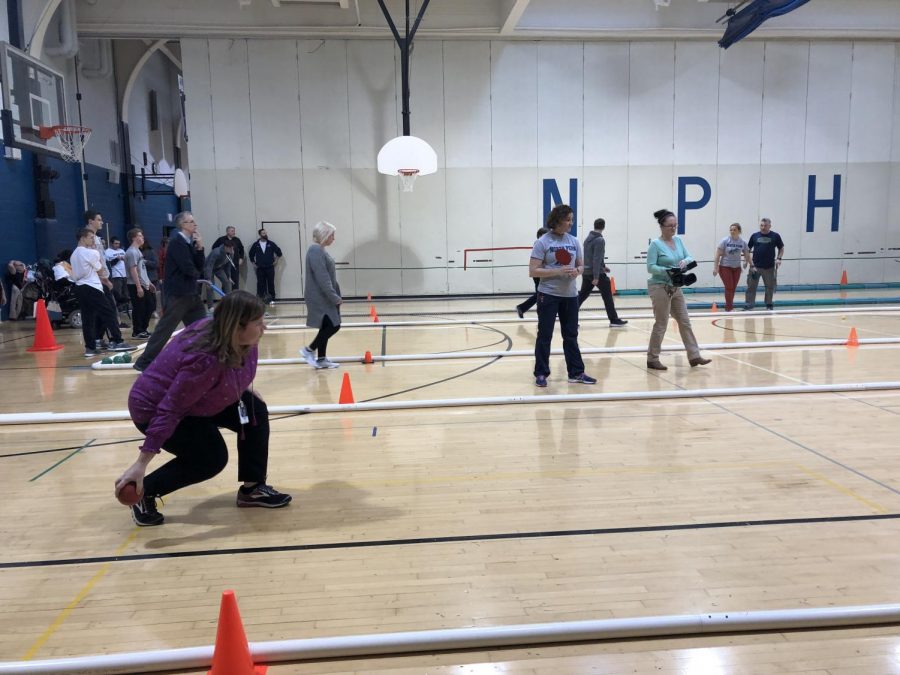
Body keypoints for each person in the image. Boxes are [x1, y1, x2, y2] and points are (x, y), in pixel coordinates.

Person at [115, 290, 292, 526]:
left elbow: (235, 366)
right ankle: (146, 491)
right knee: (211, 458)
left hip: (200, 399)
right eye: (258, 323)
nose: (264, 328)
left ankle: (253, 489)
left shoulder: (242, 339)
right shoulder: (205, 359)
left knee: (254, 410)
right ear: (236, 327)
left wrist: (240, 387)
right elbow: (170, 409)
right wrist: (141, 463)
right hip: (154, 407)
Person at [529, 205, 596, 387]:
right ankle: (541, 373)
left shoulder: (574, 241)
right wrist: (557, 271)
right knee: (545, 335)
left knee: (571, 335)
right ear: (557, 220)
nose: (571, 223)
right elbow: (533, 271)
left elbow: (582, 266)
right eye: (568, 220)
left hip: (570, 296)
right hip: (548, 295)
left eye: (572, 219)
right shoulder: (542, 242)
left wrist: (577, 271)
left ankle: (576, 372)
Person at [133, 212, 208, 372]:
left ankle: (206, 357)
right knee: (165, 329)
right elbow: (188, 268)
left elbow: (199, 267)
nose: (195, 224)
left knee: (202, 327)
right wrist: (196, 272)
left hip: (191, 293)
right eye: (191, 221)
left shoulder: (189, 243)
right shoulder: (177, 243)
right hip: (179, 294)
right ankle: (144, 362)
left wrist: (200, 248)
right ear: (183, 225)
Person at [646, 209, 710, 371]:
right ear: (661, 226)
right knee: (661, 323)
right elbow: (650, 267)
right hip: (659, 287)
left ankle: (694, 356)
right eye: (670, 226)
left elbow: (689, 257)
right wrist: (667, 269)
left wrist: (684, 263)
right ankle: (652, 358)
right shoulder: (655, 244)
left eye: (675, 225)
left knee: (684, 321)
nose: (673, 229)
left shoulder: (679, 241)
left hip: (675, 287)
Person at [69, 228, 135, 357]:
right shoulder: (90, 253)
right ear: (83, 238)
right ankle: (117, 341)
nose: (93, 240)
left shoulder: (74, 254)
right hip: (92, 287)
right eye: (91, 238)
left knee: (87, 318)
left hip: (80, 287)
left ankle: (90, 348)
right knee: (109, 312)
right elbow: (100, 269)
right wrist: (106, 280)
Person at [300, 221, 342, 369]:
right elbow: (322, 277)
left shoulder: (320, 250)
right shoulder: (315, 250)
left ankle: (321, 358)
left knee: (326, 326)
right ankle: (308, 350)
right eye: (332, 235)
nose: (333, 238)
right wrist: (334, 297)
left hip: (323, 295)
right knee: (333, 325)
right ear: (324, 235)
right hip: (319, 296)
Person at [576, 218, 627, 327]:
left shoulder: (587, 239)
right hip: (596, 274)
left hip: (587, 272)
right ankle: (613, 320)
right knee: (607, 296)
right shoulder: (599, 240)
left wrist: (603, 267)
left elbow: (591, 257)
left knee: (581, 297)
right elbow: (596, 258)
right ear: (603, 227)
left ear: (595, 226)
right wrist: (596, 276)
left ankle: (570, 319)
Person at [743, 218, 785, 311]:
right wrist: (746, 261)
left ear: (770, 226)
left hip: (769, 267)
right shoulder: (754, 236)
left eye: (765, 225)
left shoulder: (775, 236)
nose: (763, 227)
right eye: (761, 225)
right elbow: (747, 250)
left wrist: (779, 258)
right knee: (751, 287)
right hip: (755, 267)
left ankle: (769, 304)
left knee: (770, 286)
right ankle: (749, 304)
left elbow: (781, 248)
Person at [125, 229, 156, 339]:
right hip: (135, 284)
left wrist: (149, 282)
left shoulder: (138, 251)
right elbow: (133, 270)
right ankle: (137, 331)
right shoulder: (132, 252)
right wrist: (139, 287)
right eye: (140, 235)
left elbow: (142, 270)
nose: (142, 237)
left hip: (143, 283)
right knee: (139, 308)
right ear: (134, 238)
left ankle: (143, 329)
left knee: (150, 306)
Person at [712, 223, 750, 312]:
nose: (732, 231)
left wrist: (745, 261)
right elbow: (717, 255)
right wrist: (715, 268)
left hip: (736, 268)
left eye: (734, 230)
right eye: (731, 230)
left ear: (739, 231)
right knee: (729, 287)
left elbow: (746, 254)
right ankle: (729, 308)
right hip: (725, 267)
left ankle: (729, 306)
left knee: (733, 288)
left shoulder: (742, 242)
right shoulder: (725, 241)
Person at [515, 227, 548, 318]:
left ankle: (528, 309)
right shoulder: (539, 244)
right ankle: (522, 307)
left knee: (540, 294)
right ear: (541, 236)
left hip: (540, 272)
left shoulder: (541, 243)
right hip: (539, 272)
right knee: (541, 293)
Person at [248, 228, 282, 303]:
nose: (265, 234)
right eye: (263, 233)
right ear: (260, 235)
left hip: (270, 267)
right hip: (260, 268)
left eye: (265, 233)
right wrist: (254, 264)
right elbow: (251, 254)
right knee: (260, 283)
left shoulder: (271, 243)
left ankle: (272, 299)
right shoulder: (256, 244)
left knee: (271, 283)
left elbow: (279, 253)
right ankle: (260, 299)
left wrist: (276, 261)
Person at [204, 240, 235, 308]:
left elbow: (228, 266)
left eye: (233, 248)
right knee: (210, 286)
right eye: (231, 248)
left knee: (227, 282)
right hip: (209, 268)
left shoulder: (231, 253)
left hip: (218, 268)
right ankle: (210, 307)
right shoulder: (216, 252)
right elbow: (209, 266)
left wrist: (229, 276)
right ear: (226, 247)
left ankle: (228, 304)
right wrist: (208, 279)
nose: (232, 250)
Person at [105, 237, 128, 307]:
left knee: (126, 292)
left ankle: (126, 307)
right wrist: (117, 259)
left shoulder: (122, 251)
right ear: (111, 243)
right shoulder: (107, 252)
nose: (117, 245)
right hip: (116, 275)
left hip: (124, 274)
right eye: (116, 243)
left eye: (118, 244)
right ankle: (118, 308)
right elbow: (107, 265)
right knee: (118, 293)